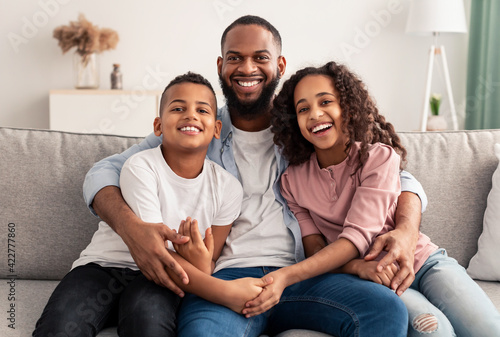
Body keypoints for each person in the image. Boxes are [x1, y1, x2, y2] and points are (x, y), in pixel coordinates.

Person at [83, 16, 427, 337]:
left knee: (384, 311)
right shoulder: (199, 127)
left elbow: (395, 176)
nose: (247, 68)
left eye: (260, 57)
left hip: (301, 274)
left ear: (279, 66)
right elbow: (103, 172)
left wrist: (407, 230)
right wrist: (133, 230)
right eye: (235, 58)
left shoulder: (308, 126)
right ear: (221, 66)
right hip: (226, 278)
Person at [258, 61, 500, 336]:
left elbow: (357, 236)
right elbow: (314, 246)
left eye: (326, 101)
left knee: (488, 329)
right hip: (376, 278)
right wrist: (357, 267)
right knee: (434, 330)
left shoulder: (378, 157)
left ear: (347, 108)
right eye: (303, 109)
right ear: (293, 121)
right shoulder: (291, 181)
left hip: (425, 261)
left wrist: (287, 276)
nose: (315, 114)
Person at [32, 72, 271, 337]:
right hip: (106, 268)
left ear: (216, 129)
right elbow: (153, 249)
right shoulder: (140, 166)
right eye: (178, 108)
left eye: (201, 110)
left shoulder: (228, 188)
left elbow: (210, 257)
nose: (190, 115)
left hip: (161, 281)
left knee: (148, 323)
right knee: (60, 327)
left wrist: (204, 264)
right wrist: (224, 292)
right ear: (158, 126)